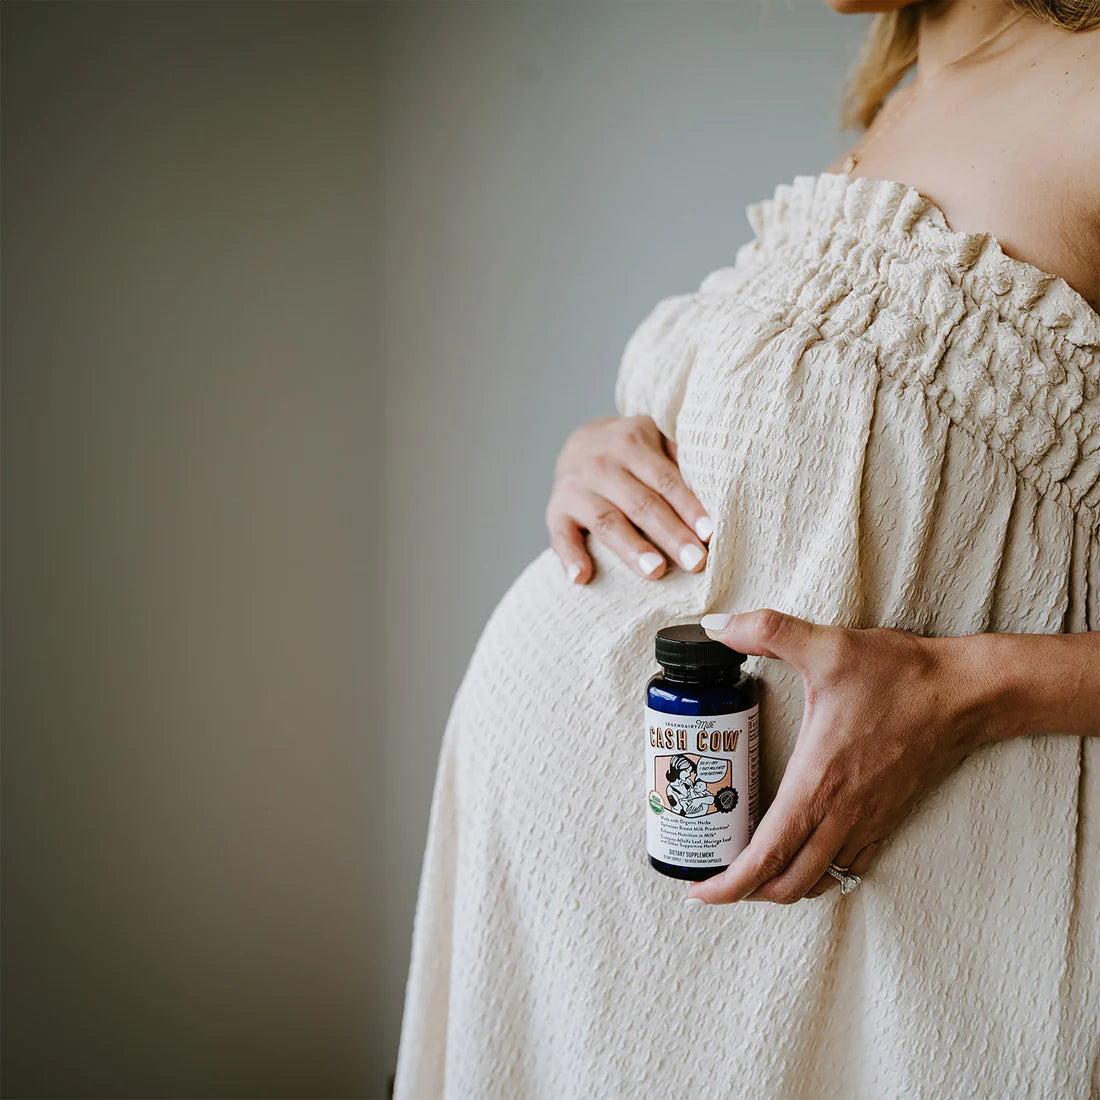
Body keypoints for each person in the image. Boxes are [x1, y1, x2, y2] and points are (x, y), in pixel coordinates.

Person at [394, 1, 1100, 1095]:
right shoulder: (898, 105)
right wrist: (616, 444)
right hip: (599, 946)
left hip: (871, 943)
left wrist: (962, 687)